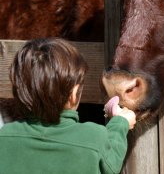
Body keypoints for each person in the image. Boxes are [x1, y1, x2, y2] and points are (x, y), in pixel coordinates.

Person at [0, 37, 136, 174]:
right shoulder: (93, 138)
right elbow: (111, 162)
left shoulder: (4, 137)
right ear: (73, 94)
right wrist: (120, 123)